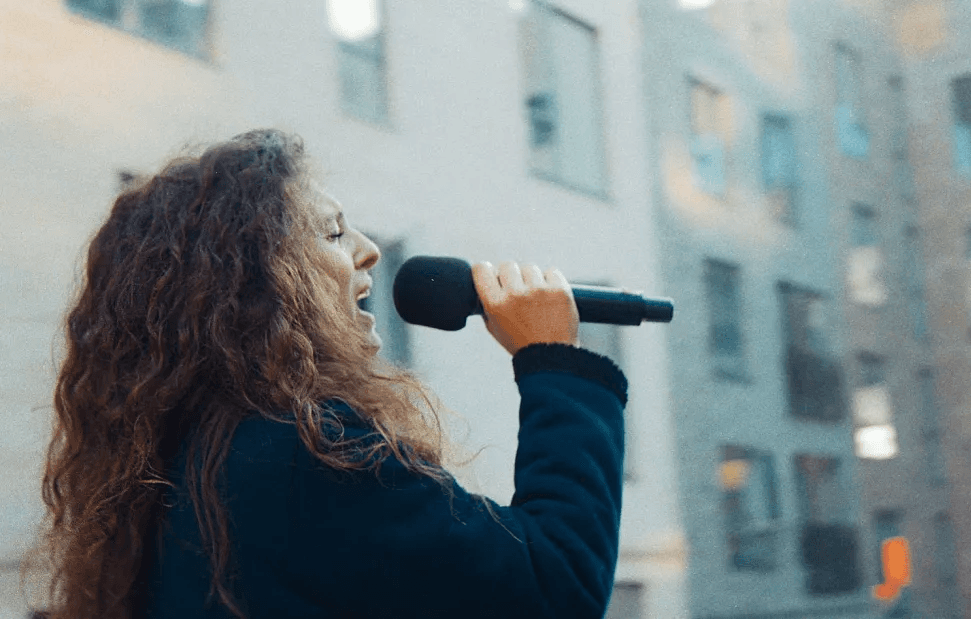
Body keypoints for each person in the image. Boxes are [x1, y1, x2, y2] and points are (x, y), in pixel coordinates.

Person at [25, 129, 627, 619]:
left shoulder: (184, 465)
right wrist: (555, 363)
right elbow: (555, 587)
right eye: (333, 232)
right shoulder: (304, 454)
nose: (368, 250)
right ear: (249, 280)